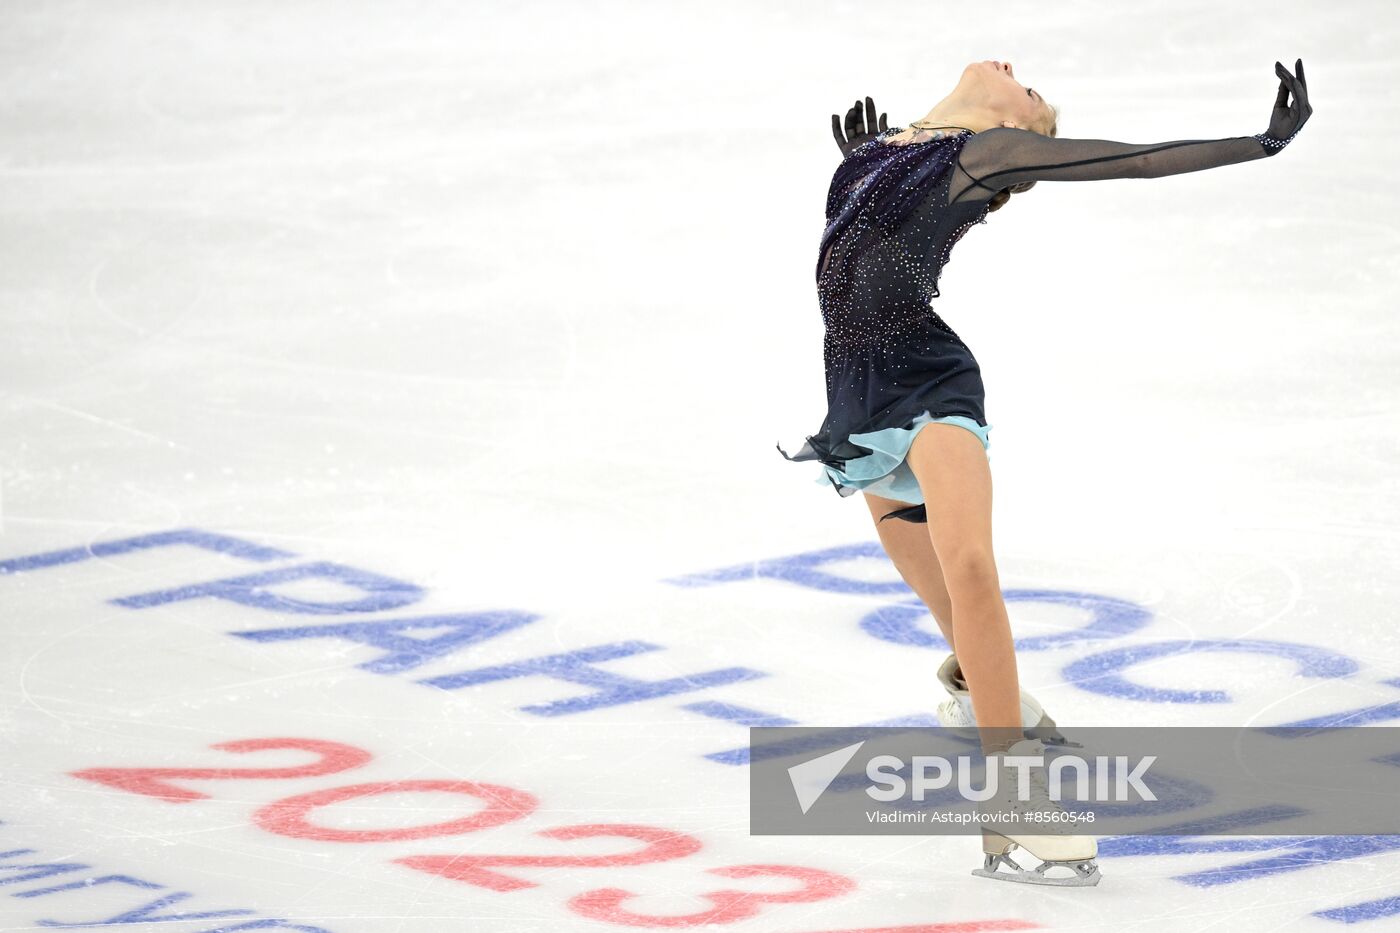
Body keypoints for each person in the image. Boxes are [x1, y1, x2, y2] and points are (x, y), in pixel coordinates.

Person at [778, 58, 1312, 885]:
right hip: (857, 392)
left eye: (1030, 94)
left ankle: (1016, 794)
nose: (1014, 72)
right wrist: (864, 166)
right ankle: (995, 699)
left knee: (969, 566)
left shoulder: (985, 155)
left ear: (1016, 130)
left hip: (927, 381)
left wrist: (1261, 142)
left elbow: (1135, 161)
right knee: (936, 587)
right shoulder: (887, 148)